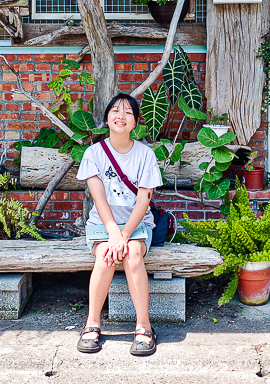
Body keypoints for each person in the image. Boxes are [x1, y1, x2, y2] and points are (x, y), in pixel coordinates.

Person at [75, 93, 161, 356]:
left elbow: (144, 200)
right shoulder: (94, 154)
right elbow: (98, 200)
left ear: (135, 122)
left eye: (127, 112)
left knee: (133, 254)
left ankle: (144, 326)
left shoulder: (145, 155)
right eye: (115, 110)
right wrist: (114, 232)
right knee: (105, 255)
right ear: (107, 118)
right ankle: (92, 323)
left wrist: (124, 235)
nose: (120, 116)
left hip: (137, 223)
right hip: (103, 224)